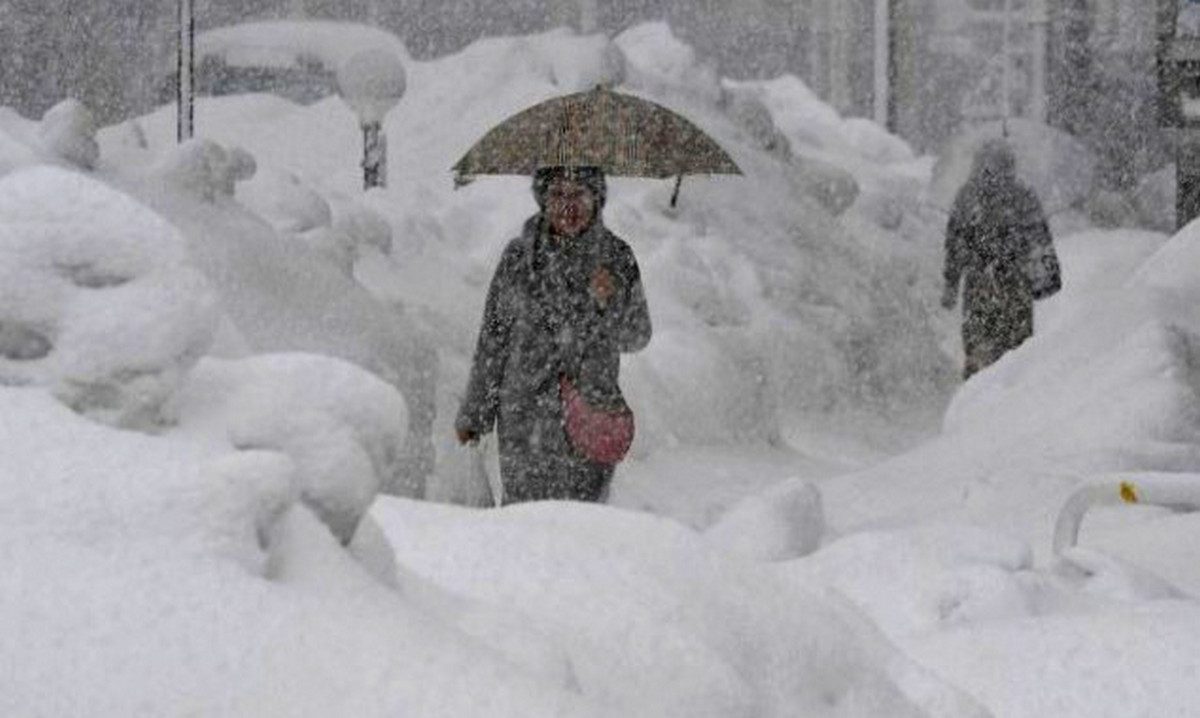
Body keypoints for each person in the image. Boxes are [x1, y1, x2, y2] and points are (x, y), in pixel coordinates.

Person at [456, 165, 652, 503]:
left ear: (597, 198)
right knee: (525, 526)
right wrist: (476, 413)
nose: (568, 205)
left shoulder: (617, 257)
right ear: (542, 199)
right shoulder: (518, 258)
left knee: (582, 528)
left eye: (579, 194)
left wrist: (610, 303)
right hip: (525, 419)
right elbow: (493, 339)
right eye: (558, 194)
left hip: (590, 415)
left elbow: (637, 335)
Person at [942, 139, 1060, 379]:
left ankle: (975, 397)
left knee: (978, 348)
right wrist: (1047, 279)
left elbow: (954, 245)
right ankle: (1010, 400)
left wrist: (951, 284)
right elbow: (1039, 241)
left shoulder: (967, 195)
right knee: (1016, 353)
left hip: (978, 286)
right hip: (1016, 286)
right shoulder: (1024, 195)